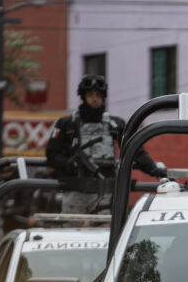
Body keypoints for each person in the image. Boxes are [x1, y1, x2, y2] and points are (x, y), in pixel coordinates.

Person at [45, 74, 164, 216]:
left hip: (106, 190)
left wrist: (155, 171)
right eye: (90, 95)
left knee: (106, 227)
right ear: (83, 96)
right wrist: (70, 164)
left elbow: (135, 150)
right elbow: (51, 155)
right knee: (72, 226)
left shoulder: (114, 124)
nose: (95, 99)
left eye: (98, 95)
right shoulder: (66, 124)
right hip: (76, 188)